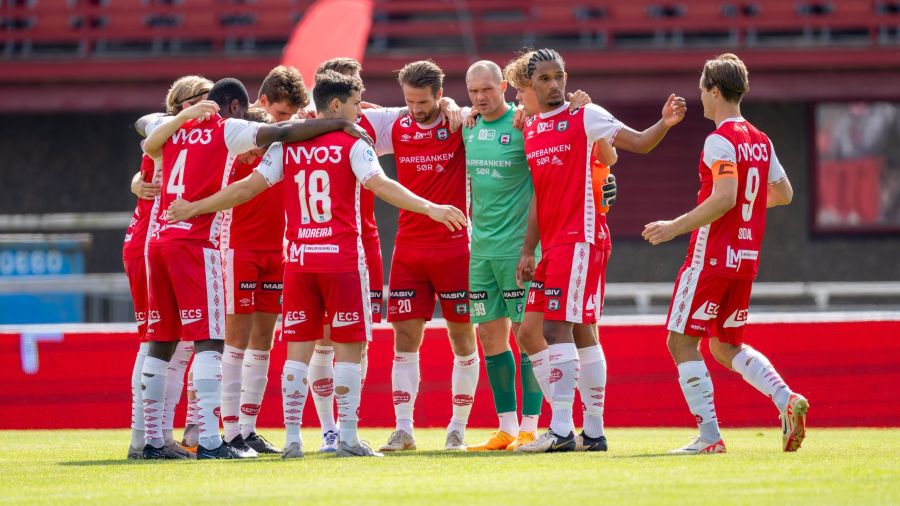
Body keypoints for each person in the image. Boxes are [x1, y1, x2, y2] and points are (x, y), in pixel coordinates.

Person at [165, 70, 467, 458]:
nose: (362, 113)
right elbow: (381, 185)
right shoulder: (353, 141)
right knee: (348, 348)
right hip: (342, 261)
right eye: (357, 105)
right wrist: (431, 207)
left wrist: (195, 207)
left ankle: (293, 440)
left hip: (298, 262)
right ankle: (348, 438)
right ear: (337, 105)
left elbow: (247, 188)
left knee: (297, 353)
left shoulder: (289, 144)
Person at [139, 77, 373, 459]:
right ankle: (212, 436)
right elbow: (277, 138)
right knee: (215, 342)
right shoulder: (233, 131)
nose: (285, 123)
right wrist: (343, 124)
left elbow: (145, 131)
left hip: (200, 243)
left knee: (177, 341)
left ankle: (166, 438)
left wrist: (179, 119)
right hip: (216, 246)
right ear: (242, 106)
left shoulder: (171, 130)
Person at [510, 48, 687, 453]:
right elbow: (540, 194)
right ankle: (592, 433)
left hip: (582, 239)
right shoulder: (532, 129)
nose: (554, 84)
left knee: (556, 329)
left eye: (559, 76)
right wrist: (527, 249)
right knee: (558, 331)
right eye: (545, 79)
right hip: (554, 246)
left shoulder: (585, 116)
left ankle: (560, 431)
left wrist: (665, 122)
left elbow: (638, 144)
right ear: (530, 85)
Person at [642, 53, 807, 454]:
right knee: (724, 345)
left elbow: (725, 196)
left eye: (702, 89)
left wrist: (673, 227)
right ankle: (785, 399)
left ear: (715, 90)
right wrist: (745, 210)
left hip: (711, 257)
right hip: (746, 258)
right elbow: (784, 194)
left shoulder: (720, 139)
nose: (699, 96)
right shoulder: (761, 139)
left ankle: (710, 436)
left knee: (680, 343)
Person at [460, 60, 606, 451]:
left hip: (526, 249)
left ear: (505, 88)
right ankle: (507, 427)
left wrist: (603, 189)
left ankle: (536, 423)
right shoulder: (466, 125)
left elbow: (576, 163)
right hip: (481, 250)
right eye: (473, 91)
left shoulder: (527, 123)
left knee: (532, 335)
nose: (480, 97)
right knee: (491, 335)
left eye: (487, 89)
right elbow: (425, 112)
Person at [216, 66, 308, 457]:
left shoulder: (289, 142)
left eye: (291, 119)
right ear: (264, 102)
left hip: (276, 251)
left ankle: (248, 430)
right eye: (280, 117)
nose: (284, 127)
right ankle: (227, 431)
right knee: (233, 342)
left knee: (263, 343)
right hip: (238, 249)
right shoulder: (234, 138)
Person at [125, 75, 212, 460]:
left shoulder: (179, 135)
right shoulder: (173, 131)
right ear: (183, 104)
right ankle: (146, 437)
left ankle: (152, 437)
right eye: (204, 100)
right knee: (156, 339)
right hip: (152, 239)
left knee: (169, 340)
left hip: (150, 238)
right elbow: (145, 122)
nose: (212, 107)